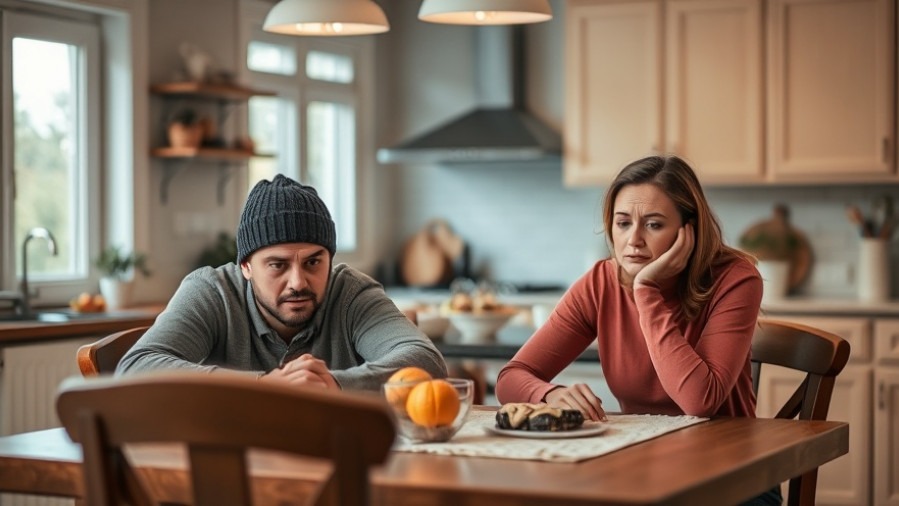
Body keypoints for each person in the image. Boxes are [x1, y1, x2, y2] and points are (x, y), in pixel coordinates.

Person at [496, 156, 780, 505]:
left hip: (735, 478)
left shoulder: (735, 279)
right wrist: (548, 395)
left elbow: (699, 400)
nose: (633, 240)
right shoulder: (600, 283)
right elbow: (511, 377)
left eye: (654, 225)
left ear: (688, 230)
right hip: (643, 469)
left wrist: (646, 291)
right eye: (623, 223)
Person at [117, 174, 447, 390]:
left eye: (314, 262)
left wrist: (334, 385)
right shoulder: (211, 292)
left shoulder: (350, 292)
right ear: (245, 265)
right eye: (277, 265)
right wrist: (265, 387)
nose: (298, 282)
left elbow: (427, 362)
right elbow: (135, 369)